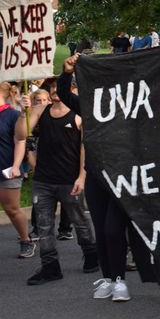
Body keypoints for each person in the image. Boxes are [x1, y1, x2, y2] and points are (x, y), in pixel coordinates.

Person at [57, 55, 155, 300]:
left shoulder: (133, 108)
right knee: (100, 230)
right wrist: (66, 73)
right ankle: (109, 278)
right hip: (96, 176)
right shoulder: (89, 106)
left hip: (123, 178)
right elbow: (65, 95)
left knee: (113, 229)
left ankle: (120, 280)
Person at [10, 82, 98, 285]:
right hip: (43, 180)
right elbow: (21, 135)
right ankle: (50, 267)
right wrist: (23, 112)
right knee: (43, 226)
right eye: (53, 87)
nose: (56, 90)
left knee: (80, 221)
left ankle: (91, 255)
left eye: (62, 86)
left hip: (70, 180)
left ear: (73, 90)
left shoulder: (79, 115)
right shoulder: (40, 110)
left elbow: (85, 149)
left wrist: (81, 177)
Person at [0, 82, 36, 258]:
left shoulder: (12, 115)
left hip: (7, 168)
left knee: (11, 208)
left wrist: (16, 166)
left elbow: (20, 141)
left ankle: (26, 240)